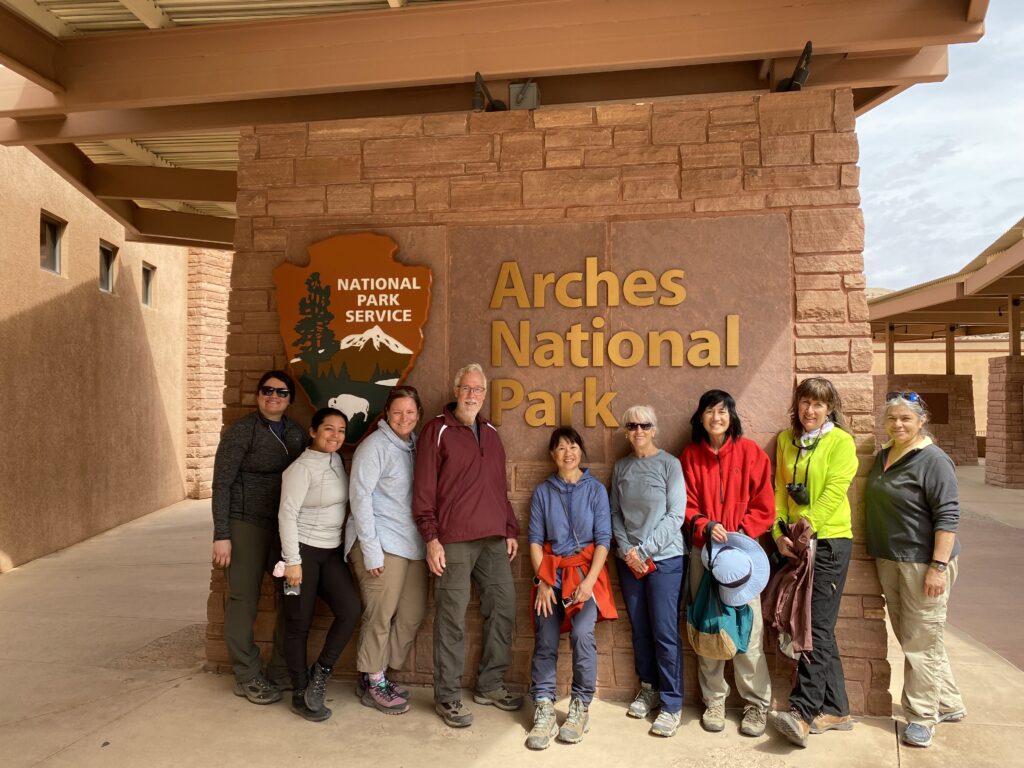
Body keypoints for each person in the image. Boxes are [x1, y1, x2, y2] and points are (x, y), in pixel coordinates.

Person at [413, 363, 522, 728]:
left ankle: (490, 684)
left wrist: (509, 528)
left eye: (478, 389)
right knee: (451, 618)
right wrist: (431, 538)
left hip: (493, 539)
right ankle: (447, 696)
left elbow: (497, 488)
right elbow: (424, 489)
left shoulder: (491, 433)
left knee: (504, 607)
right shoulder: (437, 431)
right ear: (456, 389)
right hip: (453, 541)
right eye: (466, 388)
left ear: (484, 394)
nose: (472, 395)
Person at [865, 391, 964, 749]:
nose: (898, 424)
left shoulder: (934, 460)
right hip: (890, 559)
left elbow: (948, 516)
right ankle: (950, 702)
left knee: (921, 641)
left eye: (906, 418)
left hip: (924, 563)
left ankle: (922, 716)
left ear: (922, 420)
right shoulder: (885, 455)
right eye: (892, 418)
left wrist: (938, 566)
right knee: (916, 637)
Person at [768, 377, 859, 748]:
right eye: (805, 402)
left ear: (830, 407)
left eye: (818, 404)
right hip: (795, 543)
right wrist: (779, 534)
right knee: (818, 626)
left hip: (829, 542)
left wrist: (804, 532)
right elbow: (778, 490)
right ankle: (836, 708)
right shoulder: (785, 441)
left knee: (813, 629)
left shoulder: (841, 442)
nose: (810, 410)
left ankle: (802, 713)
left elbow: (835, 492)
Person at [681, 389, 775, 737]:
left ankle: (755, 704)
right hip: (703, 556)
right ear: (700, 418)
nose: (716, 417)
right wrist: (706, 525)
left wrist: (738, 535)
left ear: (732, 416)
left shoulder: (751, 454)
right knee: (708, 626)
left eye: (722, 411)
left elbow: (765, 505)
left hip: (743, 558)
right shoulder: (689, 457)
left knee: (748, 631)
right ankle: (714, 700)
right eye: (709, 411)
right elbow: (685, 505)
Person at [211, 370, 306, 705]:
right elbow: (221, 483)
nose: (273, 397)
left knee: (291, 595)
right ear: (258, 395)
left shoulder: (296, 434)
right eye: (267, 391)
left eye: (281, 392)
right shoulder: (242, 432)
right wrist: (221, 534)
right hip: (245, 523)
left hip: (284, 527)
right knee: (243, 598)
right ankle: (247, 674)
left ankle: (279, 669)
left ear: (290, 399)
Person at [525, 426, 617, 750]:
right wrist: (544, 581)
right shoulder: (542, 492)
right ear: (553, 455)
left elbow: (604, 540)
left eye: (573, 446)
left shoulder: (595, 490)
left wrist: (590, 581)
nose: (568, 453)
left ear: (581, 451)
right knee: (546, 637)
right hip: (552, 575)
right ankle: (545, 706)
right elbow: (535, 542)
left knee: (582, 634)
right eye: (561, 448)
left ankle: (580, 706)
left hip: (585, 574)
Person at [344, 386, 427, 715]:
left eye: (410, 412)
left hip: (411, 543)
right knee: (380, 614)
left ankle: (375, 672)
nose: (404, 418)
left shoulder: (415, 445)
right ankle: (373, 679)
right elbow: (359, 498)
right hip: (379, 540)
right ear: (386, 414)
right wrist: (371, 550)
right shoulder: (374, 447)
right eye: (397, 412)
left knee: (411, 614)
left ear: (418, 413)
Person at [279, 407, 361, 721]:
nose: (335, 436)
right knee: (298, 623)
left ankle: (320, 672)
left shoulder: (336, 461)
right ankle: (300, 691)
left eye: (341, 431)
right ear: (313, 432)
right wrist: (292, 561)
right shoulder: (301, 469)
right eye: (328, 429)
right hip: (301, 551)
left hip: (330, 552)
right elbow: (286, 515)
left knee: (350, 609)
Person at [610, 405, 687, 738]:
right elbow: (613, 513)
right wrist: (628, 551)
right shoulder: (621, 467)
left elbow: (676, 516)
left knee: (664, 631)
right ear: (626, 431)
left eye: (644, 425)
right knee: (640, 628)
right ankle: (649, 688)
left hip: (665, 559)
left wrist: (643, 550)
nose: (638, 430)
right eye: (632, 425)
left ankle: (671, 704)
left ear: (654, 429)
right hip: (630, 561)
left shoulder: (670, 465)